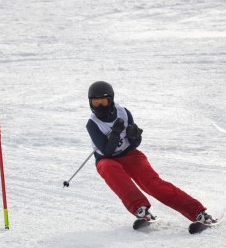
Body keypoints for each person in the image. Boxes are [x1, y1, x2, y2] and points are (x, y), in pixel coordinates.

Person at [85, 81, 215, 226]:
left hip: (129, 154)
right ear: (91, 103)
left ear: (111, 100)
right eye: (96, 102)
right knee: (108, 168)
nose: (100, 106)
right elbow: (107, 152)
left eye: (103, 101)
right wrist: (115, 133)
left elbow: (134, 144)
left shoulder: (123, 112)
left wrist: (134, 136)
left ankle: (198, 213)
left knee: (153, 184)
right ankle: (140, 209)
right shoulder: (92, 124)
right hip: (106, 159)